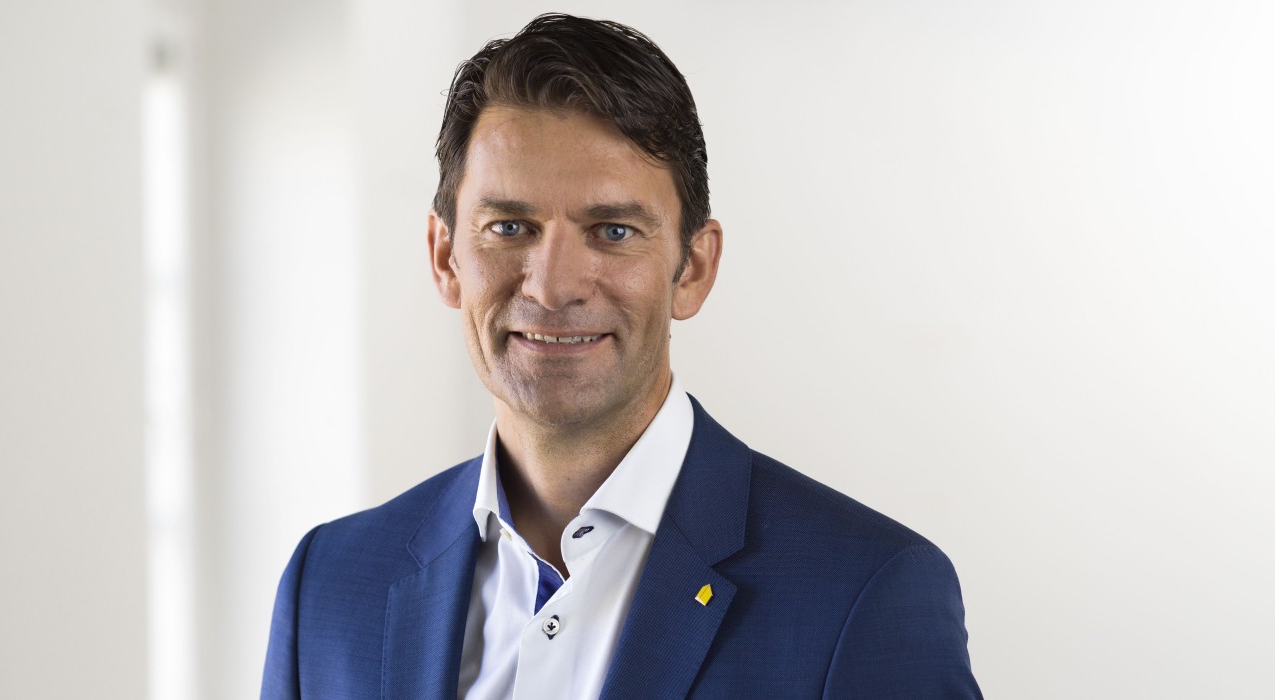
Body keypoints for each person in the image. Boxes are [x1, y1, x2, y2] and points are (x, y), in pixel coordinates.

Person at [262, 13, 981, 699]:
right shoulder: (329, 587)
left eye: (612, 231)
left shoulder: (867, 597)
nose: (552, 286)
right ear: (445, 257)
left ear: (693, 269)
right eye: (509, 226)